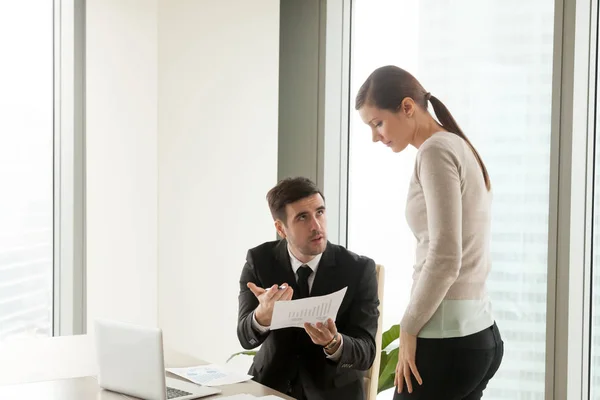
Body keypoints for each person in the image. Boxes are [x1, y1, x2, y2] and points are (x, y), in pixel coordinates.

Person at [354, 65, 504, 400]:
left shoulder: (435, 151)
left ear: (407, 107)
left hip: (446, 341)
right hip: (479, 333)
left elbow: (446, 256)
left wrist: (408, 326)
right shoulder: (458, 146)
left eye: (377, 122)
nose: (375, 136)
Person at [236, 177, 380, 400]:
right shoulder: (260, 260)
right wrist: (261, 317)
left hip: (333, 393)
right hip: (269, 389)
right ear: (281, 228)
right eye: (303, 217)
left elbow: (367, 352)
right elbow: (246, 338)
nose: (316, 225)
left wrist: (334, 343)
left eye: (320, 212)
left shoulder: (358, 269)